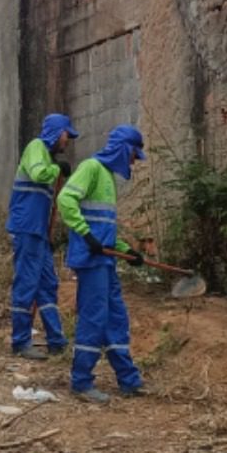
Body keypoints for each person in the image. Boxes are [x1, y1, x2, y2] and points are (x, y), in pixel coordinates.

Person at [56, 125, 147, 403]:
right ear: (124, 149)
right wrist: (85, 235)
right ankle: (81, 381)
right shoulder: (91, 168)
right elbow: (65, 199)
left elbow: (105, 230)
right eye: (134, 154)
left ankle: (129, 380)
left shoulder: (107, 178)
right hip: (91, 260)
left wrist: (127, 251)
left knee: (116, 317)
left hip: (104, 260)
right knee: (94, 319)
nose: (134, 161)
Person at [5, 113, 78, 359]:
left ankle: (56, 339)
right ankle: (20, 341)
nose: (67, 141)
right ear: (57, 133)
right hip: (27, 228)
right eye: (67, 135)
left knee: (48, 284)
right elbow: (38, 174)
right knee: (26, 283)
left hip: (38, 232)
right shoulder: (36, 148)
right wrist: (56, 169)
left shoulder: (47, 157)